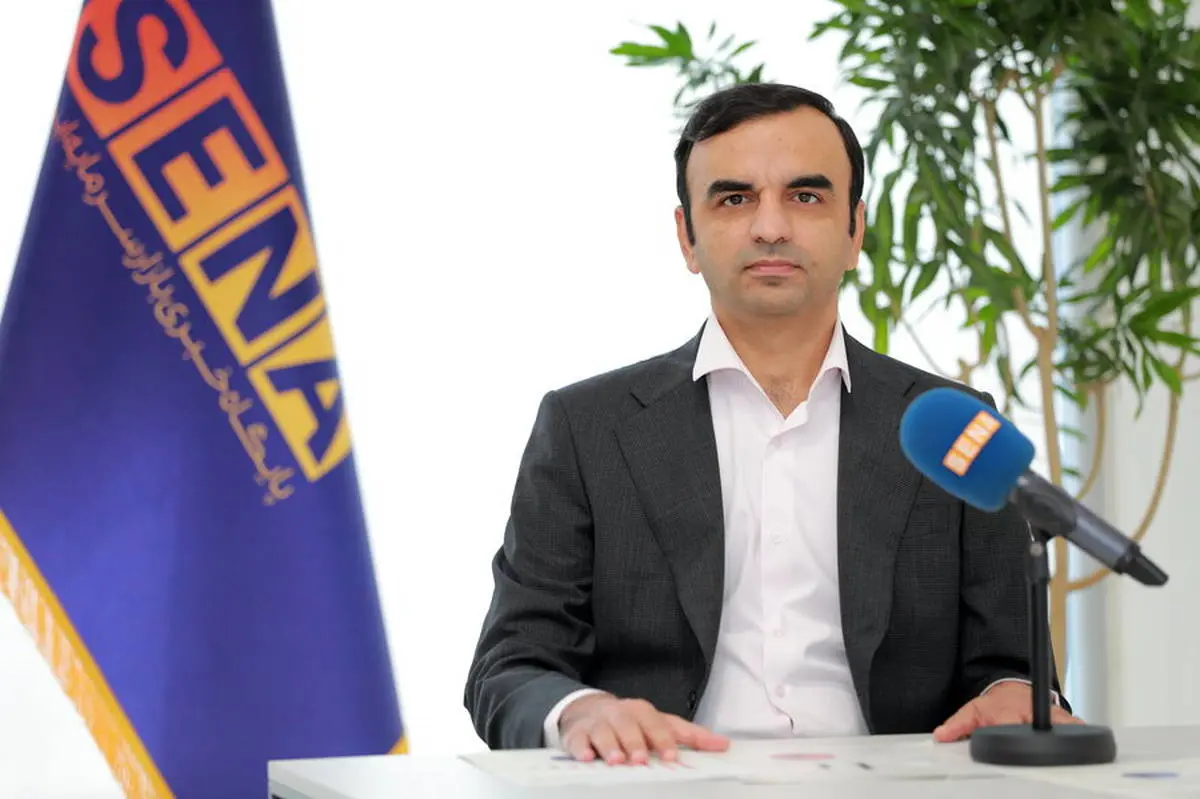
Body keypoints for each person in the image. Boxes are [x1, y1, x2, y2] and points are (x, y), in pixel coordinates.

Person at [463, 82, 1076, 764]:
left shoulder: (949, 427)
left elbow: (1011, 664)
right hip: (658, 781)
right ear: (686, 237)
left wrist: (1013, 691)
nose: (771, 227)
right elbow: (510, 666)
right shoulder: (587, 428)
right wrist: (584, 711)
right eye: (735, 199)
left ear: (855, 231)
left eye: (806, 196)